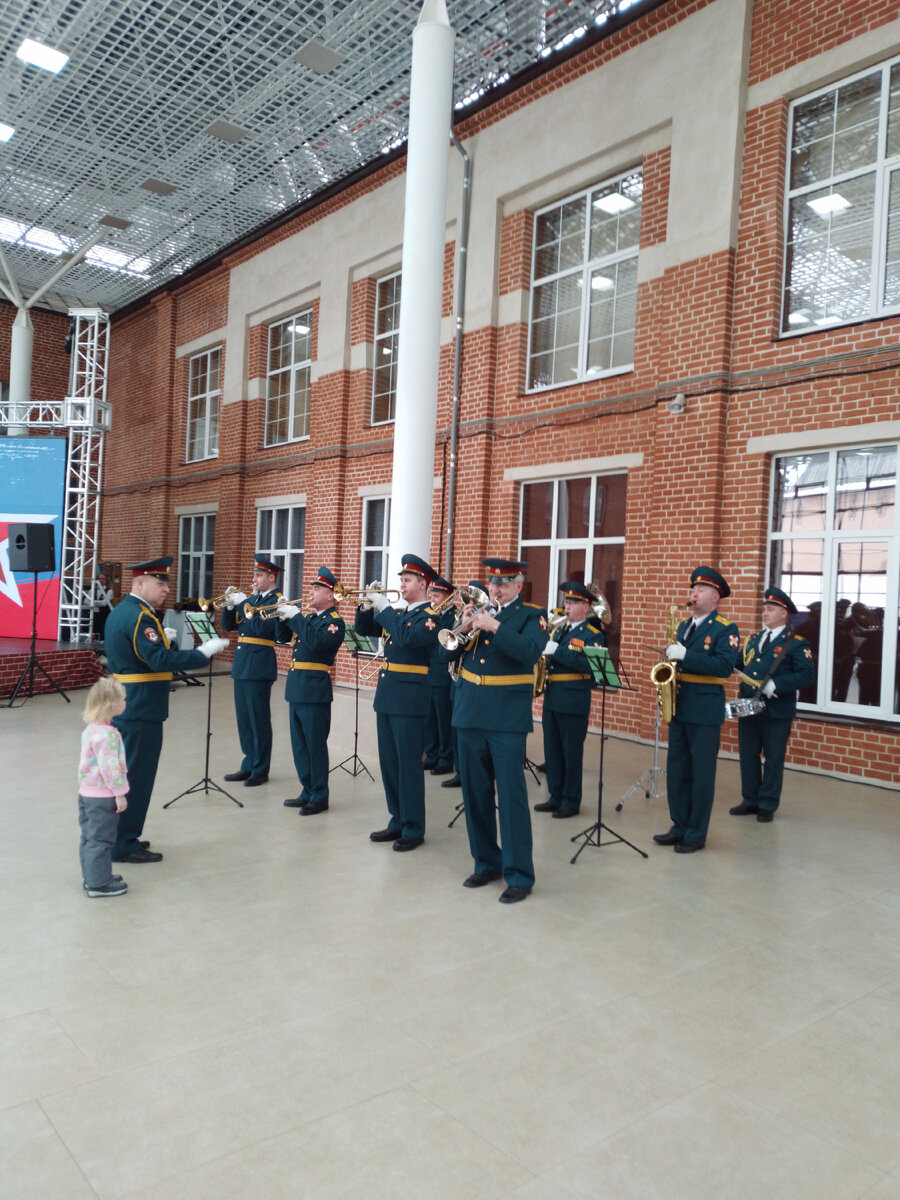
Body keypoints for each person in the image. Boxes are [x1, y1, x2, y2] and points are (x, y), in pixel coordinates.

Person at [104, 556, 229, 863]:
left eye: (166, 585)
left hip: (130, 701)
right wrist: (200, 654)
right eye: (159, 584)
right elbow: (158, 661)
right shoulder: (141, 618)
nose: (164, 591)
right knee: (137, 775)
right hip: (141, 705)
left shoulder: (124, 612)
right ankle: (123, 842)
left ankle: (123, 835)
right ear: (140, 583)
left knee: (128, 773)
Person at [443, 557, 546, 903]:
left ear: (520, 584)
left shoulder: (531, 615)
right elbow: (443, 655)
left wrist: (495, 627)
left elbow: (531, 652)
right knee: (475, 793)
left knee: (512, 796)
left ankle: (518, 874)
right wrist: (464, 625)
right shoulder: (478, 612)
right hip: (469, 712)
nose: (497, 588)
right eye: (492, 582)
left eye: (505, 582)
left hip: (506, 718)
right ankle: (486, 862)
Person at [355, 553, 441, 851]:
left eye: (407, 580)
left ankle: (414, 827)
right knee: (390, 765)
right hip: (388, 695)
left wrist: (385, 609)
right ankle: (397, 820)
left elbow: (405, 639)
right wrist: (367, 606)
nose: (401, 585)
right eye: (401, 580)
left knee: (408, 766)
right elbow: (364, 630)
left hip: (410, 698)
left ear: (423, 584)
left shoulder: (429, 619)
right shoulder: (401, 614)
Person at [653, 565, 739, 854]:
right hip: (680, 706)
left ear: (715, 597)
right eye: (693, 588)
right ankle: (678, 825)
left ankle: (696, 832)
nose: (694, 593)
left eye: (701, 589)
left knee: (701, 774)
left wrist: (687, 655)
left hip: (704, 709)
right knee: (677, 770)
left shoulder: (725, 629)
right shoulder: (683, 625)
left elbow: (724, 667)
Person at [731, 586, 815, 822]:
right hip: (749, 707)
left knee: (773, 758)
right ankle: (750, 800)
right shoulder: (754, 639)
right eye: (764, 609)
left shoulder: (796, 643)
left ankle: (767, 804)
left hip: (777, 711)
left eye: (771, 609)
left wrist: (776, 685)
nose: (765, 613)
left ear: (784, 613)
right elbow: (737, 662)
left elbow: (807, 675)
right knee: (748, 756)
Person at [534, 581, 606, 819]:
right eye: (566, 601)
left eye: (573, 602)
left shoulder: (594, 635)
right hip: (553, 696)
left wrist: (558, 652)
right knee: (552, 751)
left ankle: (571, 800)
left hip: (574, 699)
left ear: (586, 607)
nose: (567, 606)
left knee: (571, 753)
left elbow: (591, 667)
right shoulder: (558, 630)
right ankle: (555, 796)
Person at [278, 566, 345, 815]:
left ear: (331, 595)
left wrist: (295, 617)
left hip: (314, 689)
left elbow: (316, 644)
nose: (311, 592)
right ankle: (307, 790)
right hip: (296, 687)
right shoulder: (309, 620)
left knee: (315, 745)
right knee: (300, 746)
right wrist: (281, 618)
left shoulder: (334, 623)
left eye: (317, 588)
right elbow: (282, 637)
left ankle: (319, 795)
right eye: (312, 587)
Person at [219, 556, 283, 787]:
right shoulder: (253, 599)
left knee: (259, 719)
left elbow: (261, 628)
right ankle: (248, 763)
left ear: (271, 577)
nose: (253, 579)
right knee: (244, 719)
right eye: (254, 575)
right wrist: (228, 607)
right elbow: (228, 626)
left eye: (258, 575)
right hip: (242, 663)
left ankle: (260, 768)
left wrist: (241, 603)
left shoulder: (277, 601)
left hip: (259, 665)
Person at [78, 676, 130, 897]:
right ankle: (99, 884)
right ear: (112, 705)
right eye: (123, 699)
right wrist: (119, 794)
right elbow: (110, 769)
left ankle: (93, 876)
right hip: (102, 796)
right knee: (101, 839)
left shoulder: (92, 729)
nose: (126, 702)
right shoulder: (107, 735)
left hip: (86, 793)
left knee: (89, 837)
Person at [422, 573, 456, 776]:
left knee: (444, 719)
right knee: (430, 718)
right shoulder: (430, 615)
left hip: (444, 674)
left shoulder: (454, 616)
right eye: (431, 594)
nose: (432, 599)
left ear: (448, 597)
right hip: (429, 673)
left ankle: (446, 758)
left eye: (436, 595)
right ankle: (432, 754)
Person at [91, 572, 115, 641]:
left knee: (103, 632)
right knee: (94, 632)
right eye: (99, 578)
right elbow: (85, 601)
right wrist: (96, 603)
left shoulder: (109, 591)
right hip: (94, 614)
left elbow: (104, 603)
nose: (101, 580)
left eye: (103, 578)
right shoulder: (92, 590)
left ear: (105, 580)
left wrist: (92, 602)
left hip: (104, 615)